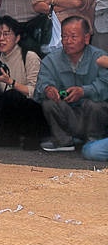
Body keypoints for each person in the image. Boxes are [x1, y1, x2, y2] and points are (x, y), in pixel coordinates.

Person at [34, 16, 108, 152]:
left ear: (86, 38)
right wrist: (48, 89)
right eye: (64, 37)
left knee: (95, 105)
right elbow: (42, 82)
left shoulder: (100, 58)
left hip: (92, 115)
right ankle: (63, 141)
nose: (68, 41)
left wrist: (84, 91)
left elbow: (105, 85)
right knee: (49, 103)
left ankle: (94, 140)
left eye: (73, 37)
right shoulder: (51, 60)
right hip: (68, 113)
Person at [0, 15, 49, 149]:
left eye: (6, 34)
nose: (1, 38)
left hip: (33, 113)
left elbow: (36, 92)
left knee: (13, 94)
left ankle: (31, 136)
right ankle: (8, 135)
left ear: (17, 38)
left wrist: (10, 81)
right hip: (10, 111)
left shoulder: (29, 56)